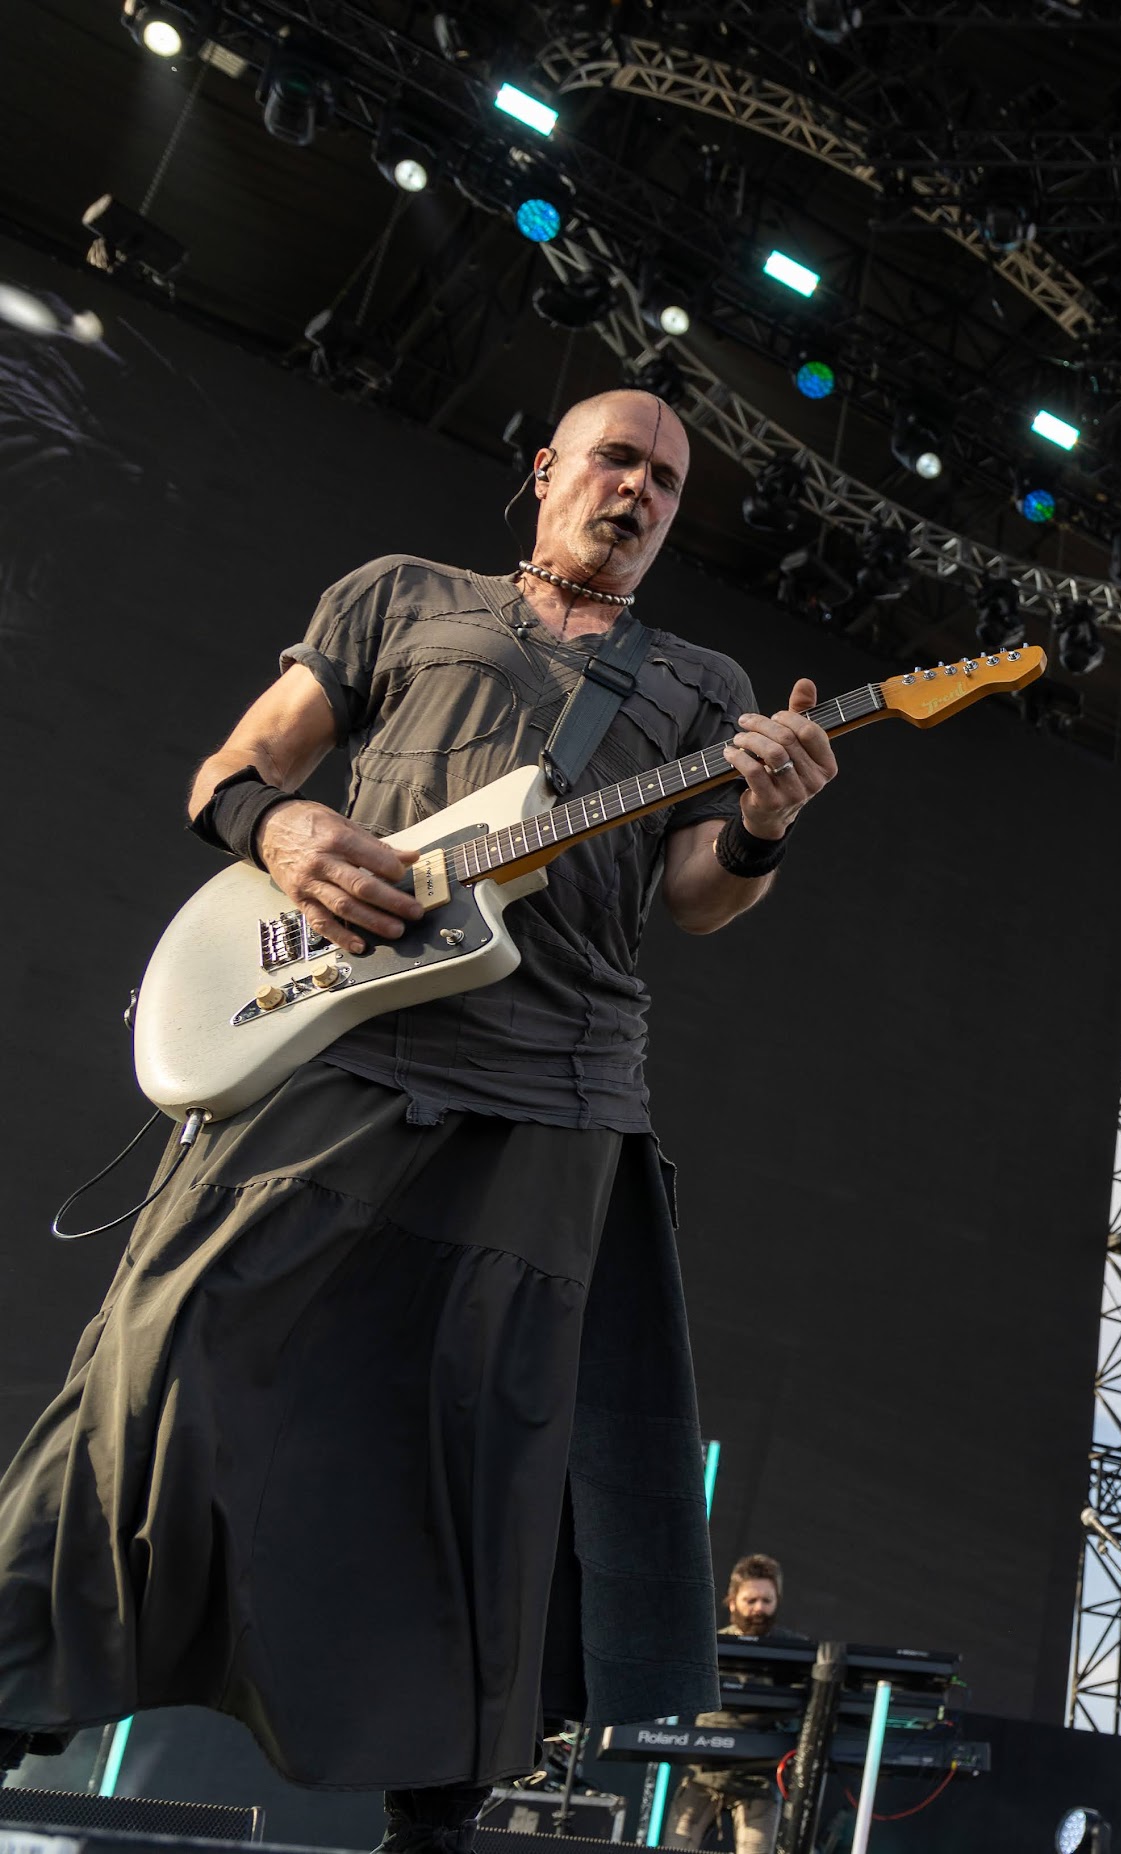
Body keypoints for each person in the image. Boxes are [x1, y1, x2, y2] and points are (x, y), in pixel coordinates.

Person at [0, 391, 842, 1853]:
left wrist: (764, 822)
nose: (638, 491)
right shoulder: (401, 596)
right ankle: (19, 1687)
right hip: (350, 1041)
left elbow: (698, 895)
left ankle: (435, 1817)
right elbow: (237, 766)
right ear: (546, 473)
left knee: (488, 1453)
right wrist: (280, 826)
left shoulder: (702, 679)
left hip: (561, 1080)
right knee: (162, 1357)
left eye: (666, 480)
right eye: (616, 461)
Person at [665, 1555, 807, 1854]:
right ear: (731, 1602)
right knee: (676, 1843)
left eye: (767, 1601)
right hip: (704, 1771)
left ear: (777, 1601)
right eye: (751, 1599)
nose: (759, 1609)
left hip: (759, 1776)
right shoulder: (710, 1645)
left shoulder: (794, 1650)